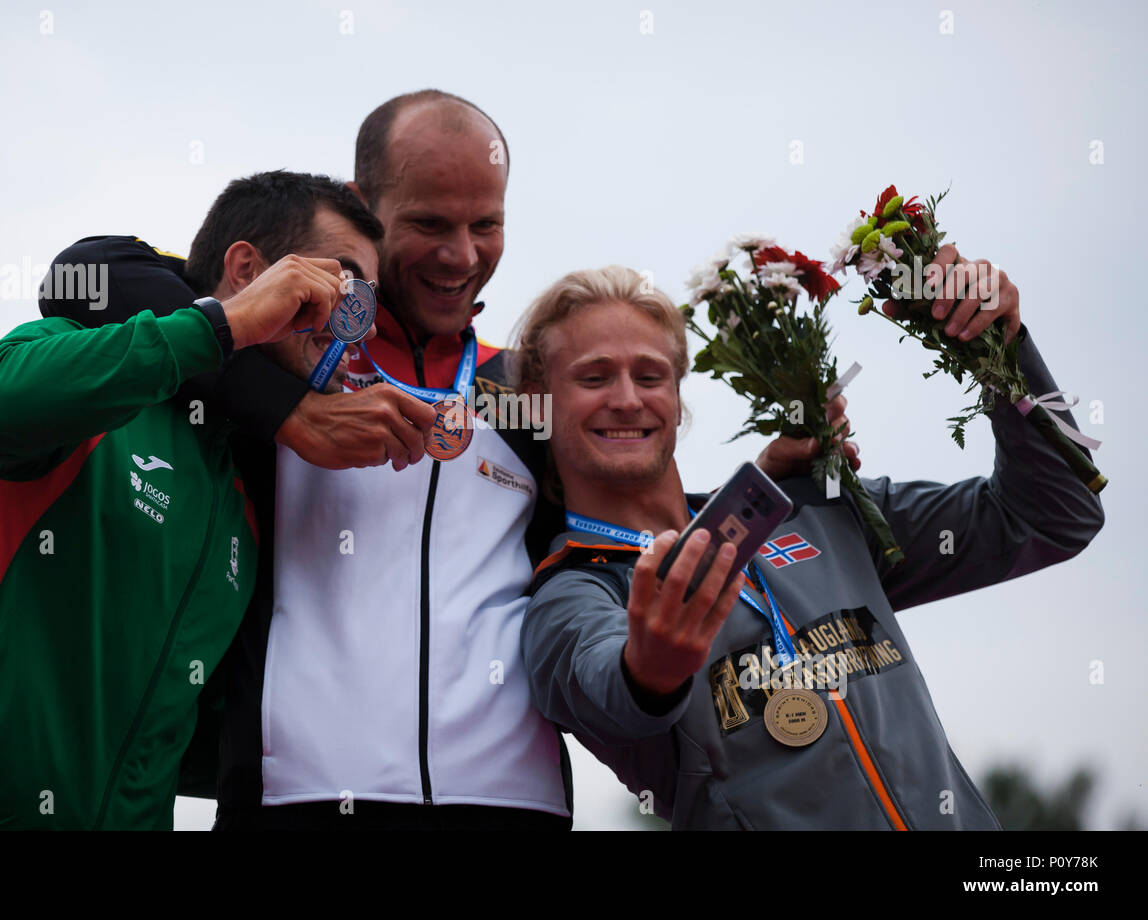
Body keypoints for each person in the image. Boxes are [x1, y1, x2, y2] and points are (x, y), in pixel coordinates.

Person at [48, 90, 853, 830]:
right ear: (365, 209)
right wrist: (292, 414)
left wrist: (772, 481)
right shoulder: (280, 357)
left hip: (512, 804)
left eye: (486, 225)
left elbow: (635, 508)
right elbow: (87, 276)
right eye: (431, 225)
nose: (462, 256)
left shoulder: (524, 391)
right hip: (300, 798)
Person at [0, 171, 374, 830]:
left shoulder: (243, 489)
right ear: (248, 270)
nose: (356, 323)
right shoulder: (86, 366)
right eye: (344, 285)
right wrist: (226, 326)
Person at [516, 258, 1105, 830]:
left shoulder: (810, 511)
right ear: (541, 401)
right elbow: (608, 685)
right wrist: (649, 669)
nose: (626, 398)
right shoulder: (570, 597)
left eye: (650, 376)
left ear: (676, 396)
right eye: (593, 378)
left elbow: (1054, 516)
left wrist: (999, 350)